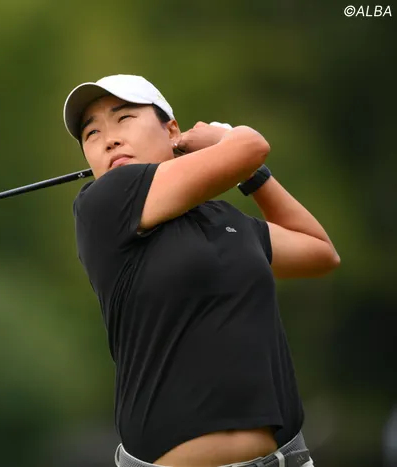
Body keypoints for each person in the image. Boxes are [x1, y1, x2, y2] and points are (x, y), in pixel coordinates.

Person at [63, 74, 340, 467]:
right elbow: (252, 144)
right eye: (92, 134)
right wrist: (224, 141)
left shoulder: (225, 220)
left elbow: (320, 252)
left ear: (171, 131)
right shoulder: (103, 203)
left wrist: (252, 174)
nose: (109, 139)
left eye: (124, 118)